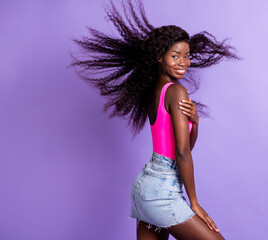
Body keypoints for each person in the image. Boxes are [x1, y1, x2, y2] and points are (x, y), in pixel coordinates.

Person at [70, 1, 238, 239]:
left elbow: (182, 148)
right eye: (176, 55)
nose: (184, 62)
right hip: (162, 191)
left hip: (146, 188)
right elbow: (181, 153)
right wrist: (194, 202)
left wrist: (195, 123)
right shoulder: (176, 92)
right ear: (160, 57)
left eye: (187, 56)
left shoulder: (156, 91)